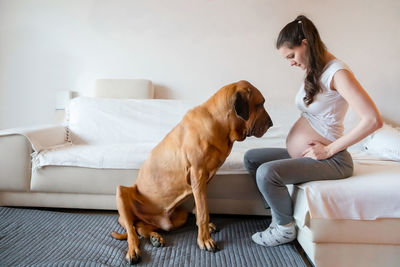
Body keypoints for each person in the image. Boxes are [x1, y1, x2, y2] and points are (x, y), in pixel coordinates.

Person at [244, 15, 383, 247]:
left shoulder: (338, 73)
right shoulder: (315, 69)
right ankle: (279, 214)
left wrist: (328, 150)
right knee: (252, 159)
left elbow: (372, 120)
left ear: (305, 43)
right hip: (307, 154)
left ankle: (284, 229)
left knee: (267, 173)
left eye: (291, 55)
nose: (290, 62)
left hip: (334, 161)